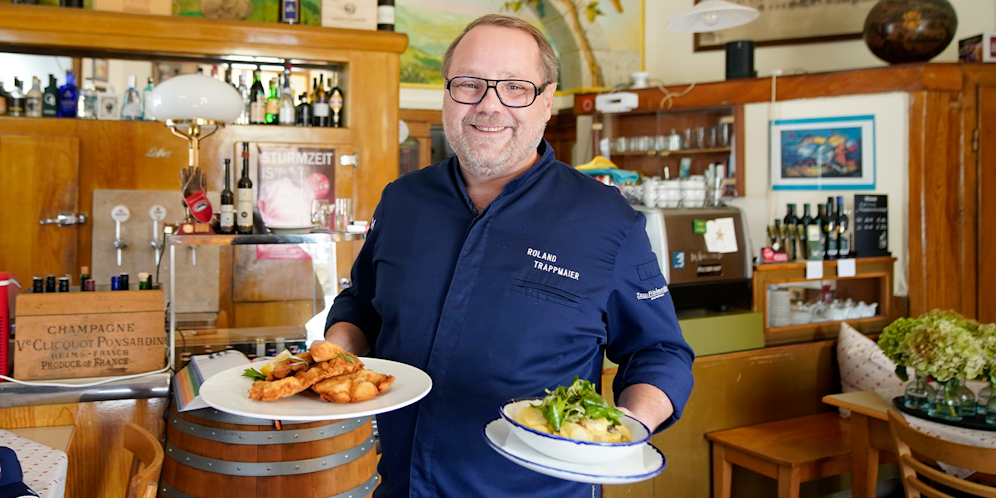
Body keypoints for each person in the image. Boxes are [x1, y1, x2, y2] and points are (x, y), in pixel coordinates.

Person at [325, 14, 694, 497]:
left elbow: (659, 351)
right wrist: (331, 356)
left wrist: (620, 425)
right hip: (401, 485)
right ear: (446, 95)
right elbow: (363, 305)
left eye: (515, 88)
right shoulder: (403, 200)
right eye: (469, 85)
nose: (488, 106)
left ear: (546, 100)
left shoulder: (607, 220)